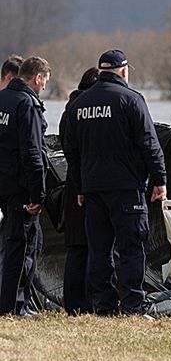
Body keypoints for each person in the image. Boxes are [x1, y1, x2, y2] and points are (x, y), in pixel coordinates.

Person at [64, 49, 167, 316]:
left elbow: (70, 150)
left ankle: (104, 306)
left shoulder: (80, 104)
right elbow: (149, 143)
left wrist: (79, 186)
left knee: (99, 250)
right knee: (132, 247)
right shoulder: (131, 99)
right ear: (123, 71)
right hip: (126, 188)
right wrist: (160, 180)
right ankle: (133, 305)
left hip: (93, 189)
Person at [0, 56, 51, 316]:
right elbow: (32, 152)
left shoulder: (3, 99)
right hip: (21, 186)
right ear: (38, 77)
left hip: (4, 184)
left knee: (24, 242)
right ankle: (13, 306)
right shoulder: (27, 104)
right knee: (22, 247)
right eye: (44, 82)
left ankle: (17, 301)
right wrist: (37, 193)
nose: (43, 88)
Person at [58, 67, 100, 315]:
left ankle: (72, 303)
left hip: (73, 185)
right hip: (86, 187)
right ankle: (84, 303)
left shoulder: (69, 110)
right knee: (88, 247)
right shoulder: (84, 110)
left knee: (77, 247)